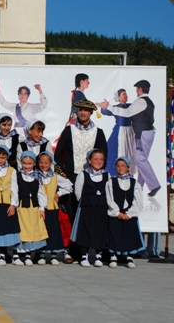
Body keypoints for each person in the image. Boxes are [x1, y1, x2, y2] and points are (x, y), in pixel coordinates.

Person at [54, 99, 108, 263]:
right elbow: (57, 156)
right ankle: (73, 250)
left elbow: (103, 156)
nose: (83, 113)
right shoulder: (69, 130)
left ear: (91, 112)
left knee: (93, 215)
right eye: (80, 110)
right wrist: (64, 176)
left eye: (86, 110)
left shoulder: (98, 132)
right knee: (71, 216)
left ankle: (97, 249)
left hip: (91, 180)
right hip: (71, 178)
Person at [97, 80, 160, 197]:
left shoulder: (140, 102)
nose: (135, 91)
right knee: (141, 160)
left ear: (140, 89)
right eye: (124, 94)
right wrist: (105, 107)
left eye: (136, 88)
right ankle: (139, 187)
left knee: (140, 159)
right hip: (137, 132)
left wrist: (109, 106)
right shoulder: (143, 102)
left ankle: (153, 185)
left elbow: (127, 113)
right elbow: (109, 111)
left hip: (141, 133)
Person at [70, 149, 111, 268]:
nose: (98, 161)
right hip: (87, 207)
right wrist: (87, 202)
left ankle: (98, 255)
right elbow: (78, 192)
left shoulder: (107, 175)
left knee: (100, 230)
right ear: (89, 160)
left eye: (101, 159)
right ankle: (84, 255)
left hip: (102, 207)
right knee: (85, 230)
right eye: (95, 159)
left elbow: (109, 191)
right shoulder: (83, 174)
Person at [105, 157, 145, 269]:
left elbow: (138, 200)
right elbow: (110, 198)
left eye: (123, 165)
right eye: (118, 166)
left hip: (129, 215)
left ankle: (130, 256)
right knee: (114, 234)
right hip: (116, 214)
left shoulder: (134, 183)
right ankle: (113, 256)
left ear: (128, 167)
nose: (120, 168)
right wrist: (117, 212)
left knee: (129, 234)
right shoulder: (111, 182)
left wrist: (129, 213)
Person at [37, 151, 72, 266]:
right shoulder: (35, 175)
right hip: (39, 208)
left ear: (51, 163)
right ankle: (41, 254)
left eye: (46, 162)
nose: (43, 165)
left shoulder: (55, 177)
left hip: (52, 208)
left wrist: (59, 193)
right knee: (41, 231)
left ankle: (53, 255)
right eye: (41, 162)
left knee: (53, 231)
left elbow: (69, 186)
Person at [14, 151, 48, 267]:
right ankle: (24, 254)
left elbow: (40, 193)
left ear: (34, 163)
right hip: (22, 207)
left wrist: (42, 208)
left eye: (29, 164)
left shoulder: (37, 175)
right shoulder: (17, 175)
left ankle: (33, 253)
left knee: (34, 228)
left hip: (34, 207)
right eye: (24, 163)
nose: (27, 166)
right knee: (23, 229)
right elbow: (15, 191)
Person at [100, 89, 136, 176]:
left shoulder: (130, 106)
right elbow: (105, 111)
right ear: (119, 97)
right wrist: (103, 107)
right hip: (120, 131)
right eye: (124, 94)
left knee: (128, 151)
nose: (126, 95)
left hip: (129, 132)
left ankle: (127, 171)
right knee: (114, 150)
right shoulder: (115, 108)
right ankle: (113, 172)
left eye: (126, 94)